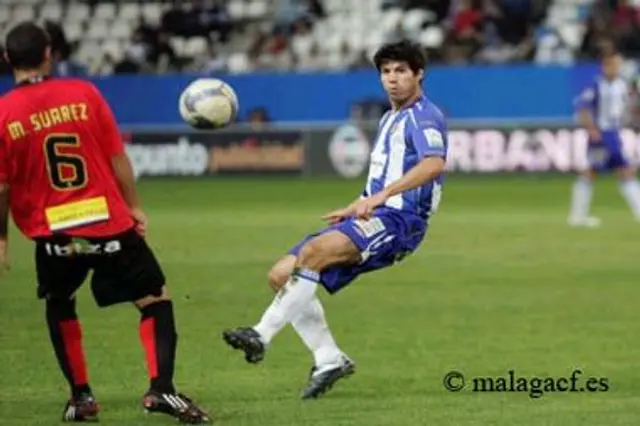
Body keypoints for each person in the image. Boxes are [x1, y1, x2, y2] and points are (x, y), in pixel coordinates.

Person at [0, 22, 209, 423]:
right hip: (107, 224)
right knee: (154, 299)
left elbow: (3, 186)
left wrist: (3, 241)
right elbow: (116, 159)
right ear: (50, 53)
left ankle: (81, 398)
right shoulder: (83, 93)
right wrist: (134, 207)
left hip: (56, 233)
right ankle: (161, 390)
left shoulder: (5, 113)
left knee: (60, 303)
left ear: (8, 59)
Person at [222, 39, 448, 399]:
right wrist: (357, 203)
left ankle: (260, 334)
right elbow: (381, 178)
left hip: (401, 222)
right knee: (281, 275)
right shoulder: (390, 118)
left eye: (401, 71)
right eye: (386, 72)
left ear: (419, 75)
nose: (392, 79)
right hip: (376, 212)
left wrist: (382, 197)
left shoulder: (424, 115)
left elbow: (433, 163)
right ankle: (329, 359)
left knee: (312, 253)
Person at [569, 48, 640, 227]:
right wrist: (591, 129)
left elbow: (628, 106)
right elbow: (582, 108)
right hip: (602, 134)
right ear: (605, 66)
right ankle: (577, 216)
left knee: (609, 171)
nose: (617, 67)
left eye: (619, 64)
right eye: (614, 64)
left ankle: (577, 216)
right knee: (619, 171)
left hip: (614, 133)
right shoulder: (595, 85)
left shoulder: (622, 84)